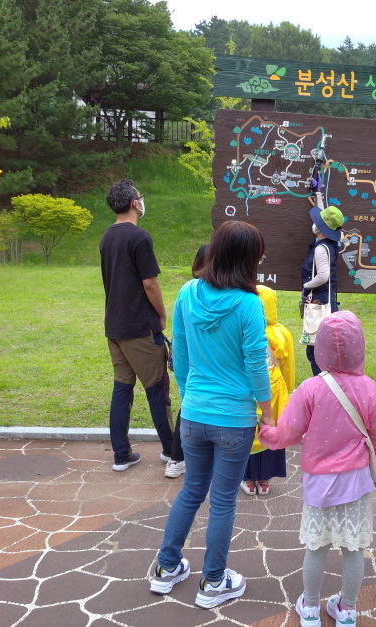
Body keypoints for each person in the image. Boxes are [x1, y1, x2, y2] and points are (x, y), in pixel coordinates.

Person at [150, 221, 271, 609]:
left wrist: (190, 397)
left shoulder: (187, 293)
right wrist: (267, 413)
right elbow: (256, 364)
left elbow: (179, 355)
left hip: (194, 414)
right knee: (222, 501)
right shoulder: (249, 304)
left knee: (190, 491)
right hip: (234, 418)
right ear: (248, 260)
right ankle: (214, 582)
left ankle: (167, 568)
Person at [259, 310, 376, 627]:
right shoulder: (370, 389)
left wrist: (267, 434)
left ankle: (309, 607)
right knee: (354, 547)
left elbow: (289, 432)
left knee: (316, 547)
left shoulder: (310, 389)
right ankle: (346, 610)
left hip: (320, 481)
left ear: (320, 349)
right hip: (357, 480)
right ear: (359, 346)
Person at [100, 179, 172, 471]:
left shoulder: (106, 237)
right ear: (134, 203)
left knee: (122, 388)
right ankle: (172, 451)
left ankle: (121, 454)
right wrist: (162, 316)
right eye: (141, 197)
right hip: (140, 329)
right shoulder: (139, 237)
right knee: (157, 389)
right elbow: (150, 283)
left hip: (114, 327)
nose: (142, 200)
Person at [241, 285, 295, 496]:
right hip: (275, 392)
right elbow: (288, 366)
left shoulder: (243, 328)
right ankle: (264, 481)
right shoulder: (281, 333)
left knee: (248, 433)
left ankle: (249, 479)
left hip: (248, 390)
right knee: (271, 433)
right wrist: (288, 389)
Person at [165, 244, 209, 479]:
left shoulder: (186, 291)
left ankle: (176, 458)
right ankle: (177, 458)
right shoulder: (243, 299)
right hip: (205, 370)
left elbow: (179, 339)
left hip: (190, 368)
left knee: (188, 406)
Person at [301, 205, 344, 376]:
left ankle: (321, 388)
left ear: (319, 228)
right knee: (326, 350)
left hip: (320, 305)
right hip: (329, 303)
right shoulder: (331, 246)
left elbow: (323, 275)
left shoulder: (320, 249)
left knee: (315, 352)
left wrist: (306, 286)